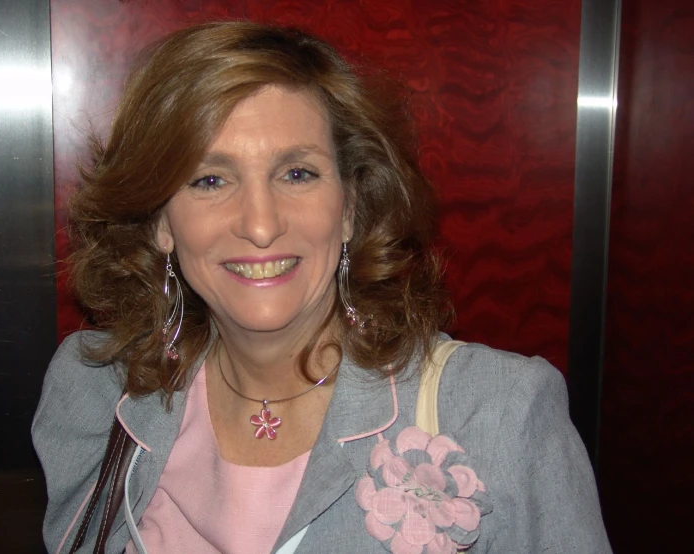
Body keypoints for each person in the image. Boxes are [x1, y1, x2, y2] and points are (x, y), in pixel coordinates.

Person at [33, 21, 612, 554]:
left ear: (351, 208)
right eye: (210, 180)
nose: (260, 224)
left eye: (297, 173)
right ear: (161, 222)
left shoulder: (499, 414)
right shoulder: (95, 393)